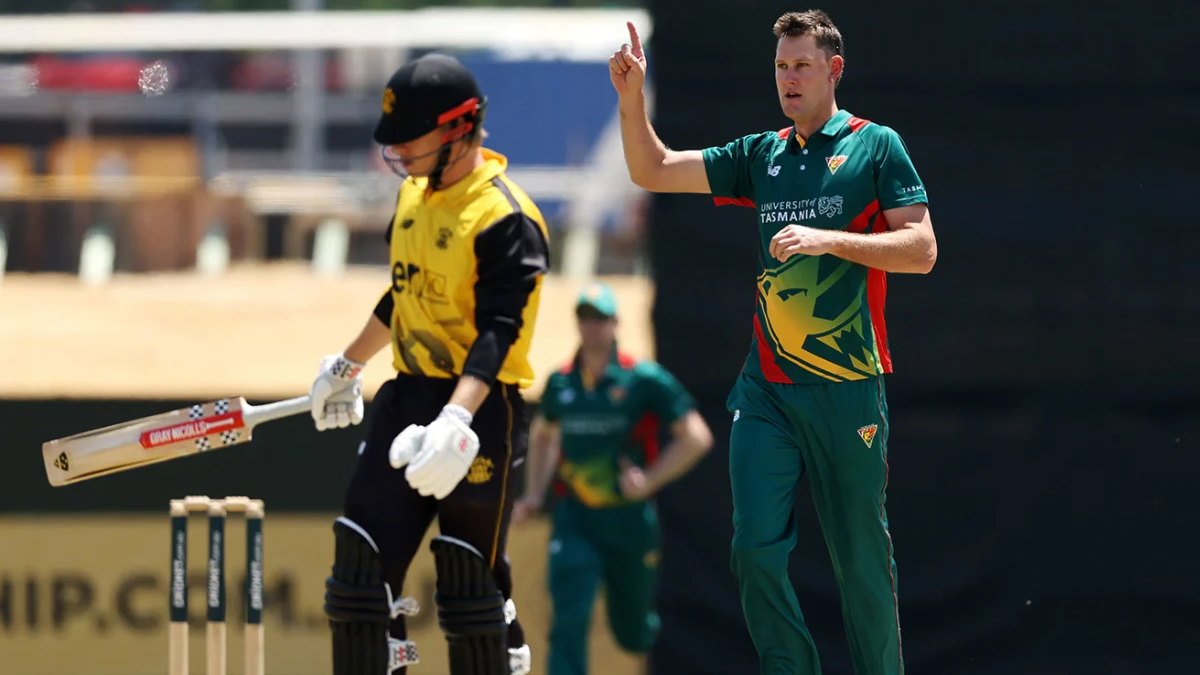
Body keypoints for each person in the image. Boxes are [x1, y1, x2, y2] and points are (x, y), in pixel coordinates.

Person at [608, 10, 937, 675]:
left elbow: (922, 249)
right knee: (754, 549)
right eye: (782, 66)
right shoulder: (763, 154)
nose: (789, 78)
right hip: (767, 391)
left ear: (833, 70)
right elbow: (654, 168)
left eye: (802, 66)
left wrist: (828, 239)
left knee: (861, 562)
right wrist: (631, 97)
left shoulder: (875, 146)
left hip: (847, 389)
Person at [309, 52, 551, 675]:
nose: (397, 153)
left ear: (458, 129)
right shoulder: (413, 195)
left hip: (479, 412)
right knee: (360, 580)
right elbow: (403, 295)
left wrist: (455, 418)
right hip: (407, 397)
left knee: (472, 590)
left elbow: (500, 330)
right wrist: (346, 367)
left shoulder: (506, 217)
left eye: (409, 140)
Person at [509, 280, 713, 675]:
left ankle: (642, 632)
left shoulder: (643, 378)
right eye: (585, 317)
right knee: (568, 619)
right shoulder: (561, 382)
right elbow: (545, 434)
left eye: (600, 318)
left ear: (615, 323)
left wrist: (649, 480)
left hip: (629, 521)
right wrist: (533, 494)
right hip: (576, 517)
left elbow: (696, 437)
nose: (592, 326)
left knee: (633, 634)